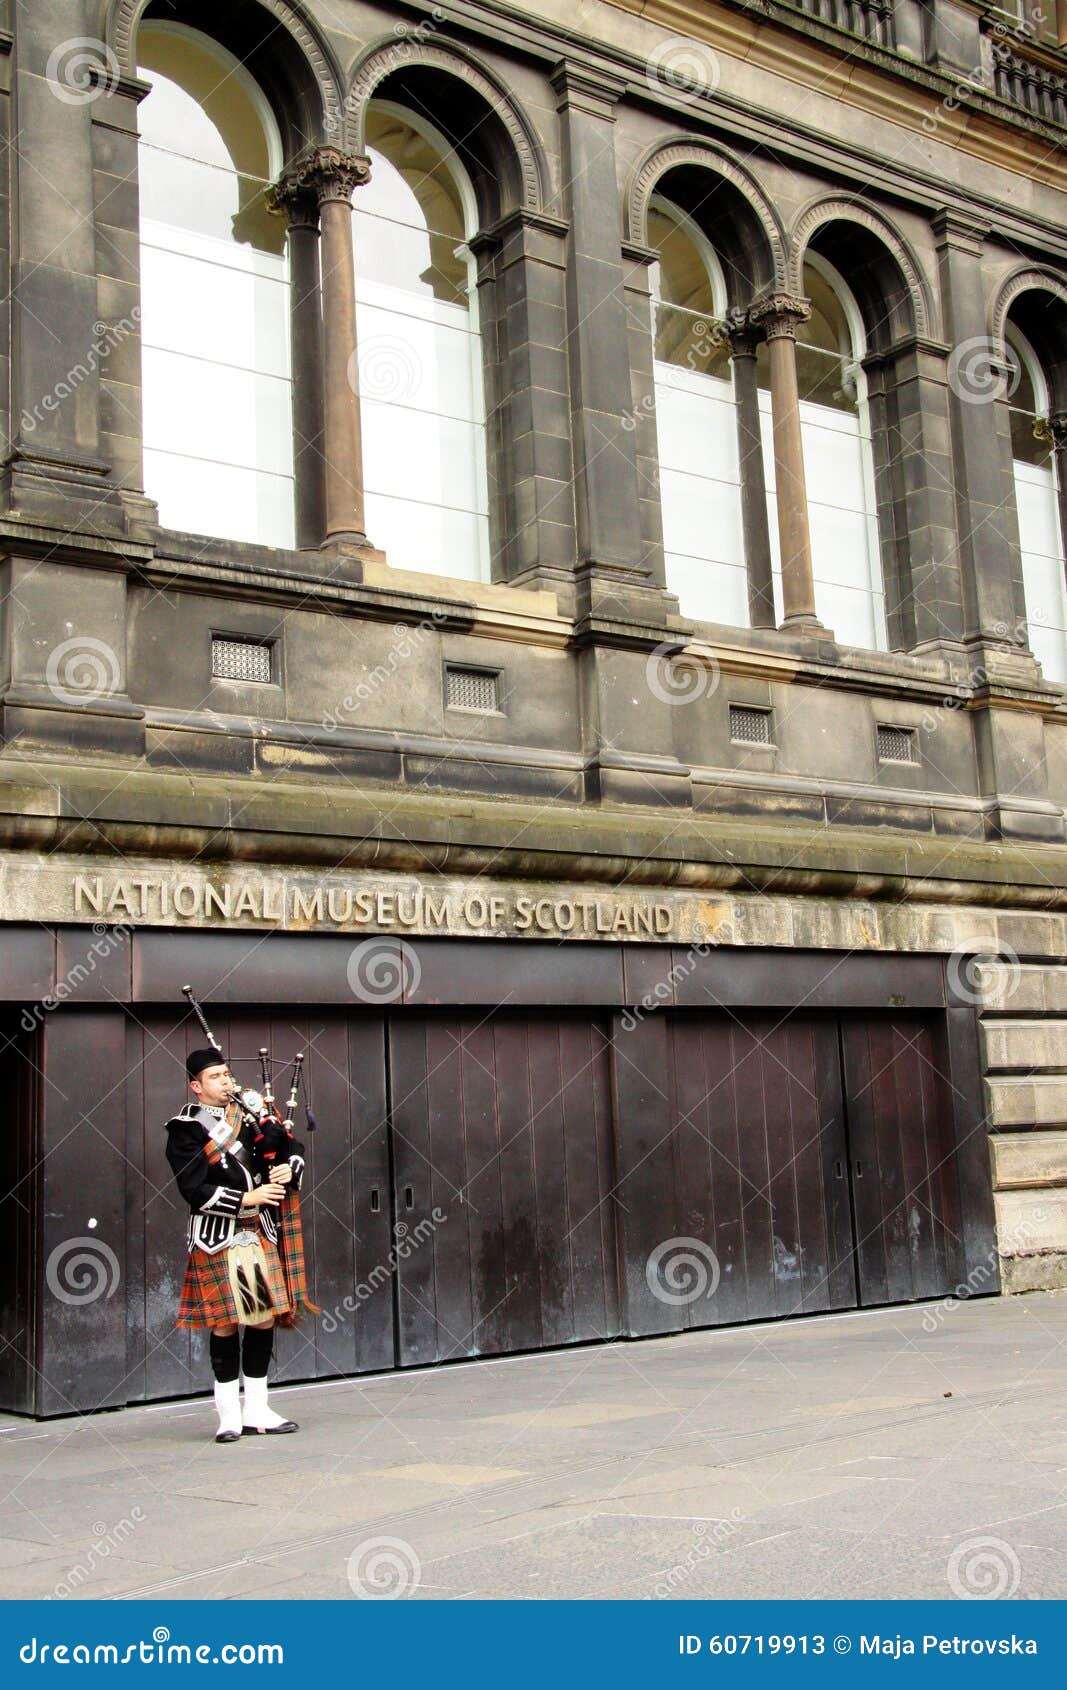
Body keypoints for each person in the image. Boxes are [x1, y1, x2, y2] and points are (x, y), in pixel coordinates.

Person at [164, 1047, 312, 1443]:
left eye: (227, 1074)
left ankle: (258, 1409)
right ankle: (228, 1414)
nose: (225, 1081)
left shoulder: (252, 1115)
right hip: (218, 1236)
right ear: (196, 1086)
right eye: (215, 1077)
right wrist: (248, 1198)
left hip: (256, 1233)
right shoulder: (186, 1128)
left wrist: (287, 1167)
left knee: (261, 1316)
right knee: (226, 1322)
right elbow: (193, 1188)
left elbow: (290, 1148)